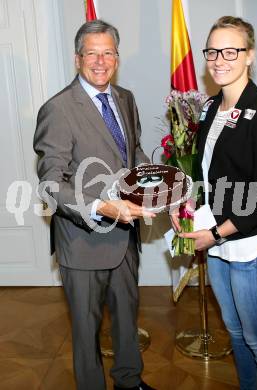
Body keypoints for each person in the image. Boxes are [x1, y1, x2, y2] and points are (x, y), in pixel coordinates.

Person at [34, 20, 156, 390]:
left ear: (117, 58)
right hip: (83, 240)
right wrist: (102, 207)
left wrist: (159, 183)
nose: (100, 61)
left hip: (126, 235)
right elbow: (51, 182)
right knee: (87, 331)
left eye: (108, 53)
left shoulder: (126, 99)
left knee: (126, 318)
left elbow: (131, 152)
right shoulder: (58, 109)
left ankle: (129, 381)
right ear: (78, 58)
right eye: (92, 53)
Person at [171, 16, 257, 390]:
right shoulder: (210, 108)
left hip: (246, 244)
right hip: (216, 238)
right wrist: (183, 204)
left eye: (230, 51)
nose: (219, 59)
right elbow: (206, 175)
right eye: (212, 51)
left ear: (249, 55)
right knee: (236, 334)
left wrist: (216, 236)